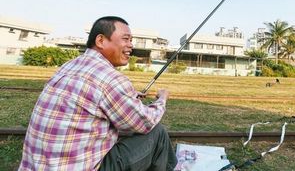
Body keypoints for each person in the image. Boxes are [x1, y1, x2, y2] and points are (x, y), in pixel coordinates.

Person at [19, 16, 177, 171]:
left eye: (131, 40)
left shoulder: (69, 65)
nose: (131, 45)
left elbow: (91, 95)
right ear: (101, 40)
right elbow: (145, 122)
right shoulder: (111, 79)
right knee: (158, 133)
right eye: (126, 39)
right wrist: (162, 99)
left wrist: (128, 96)